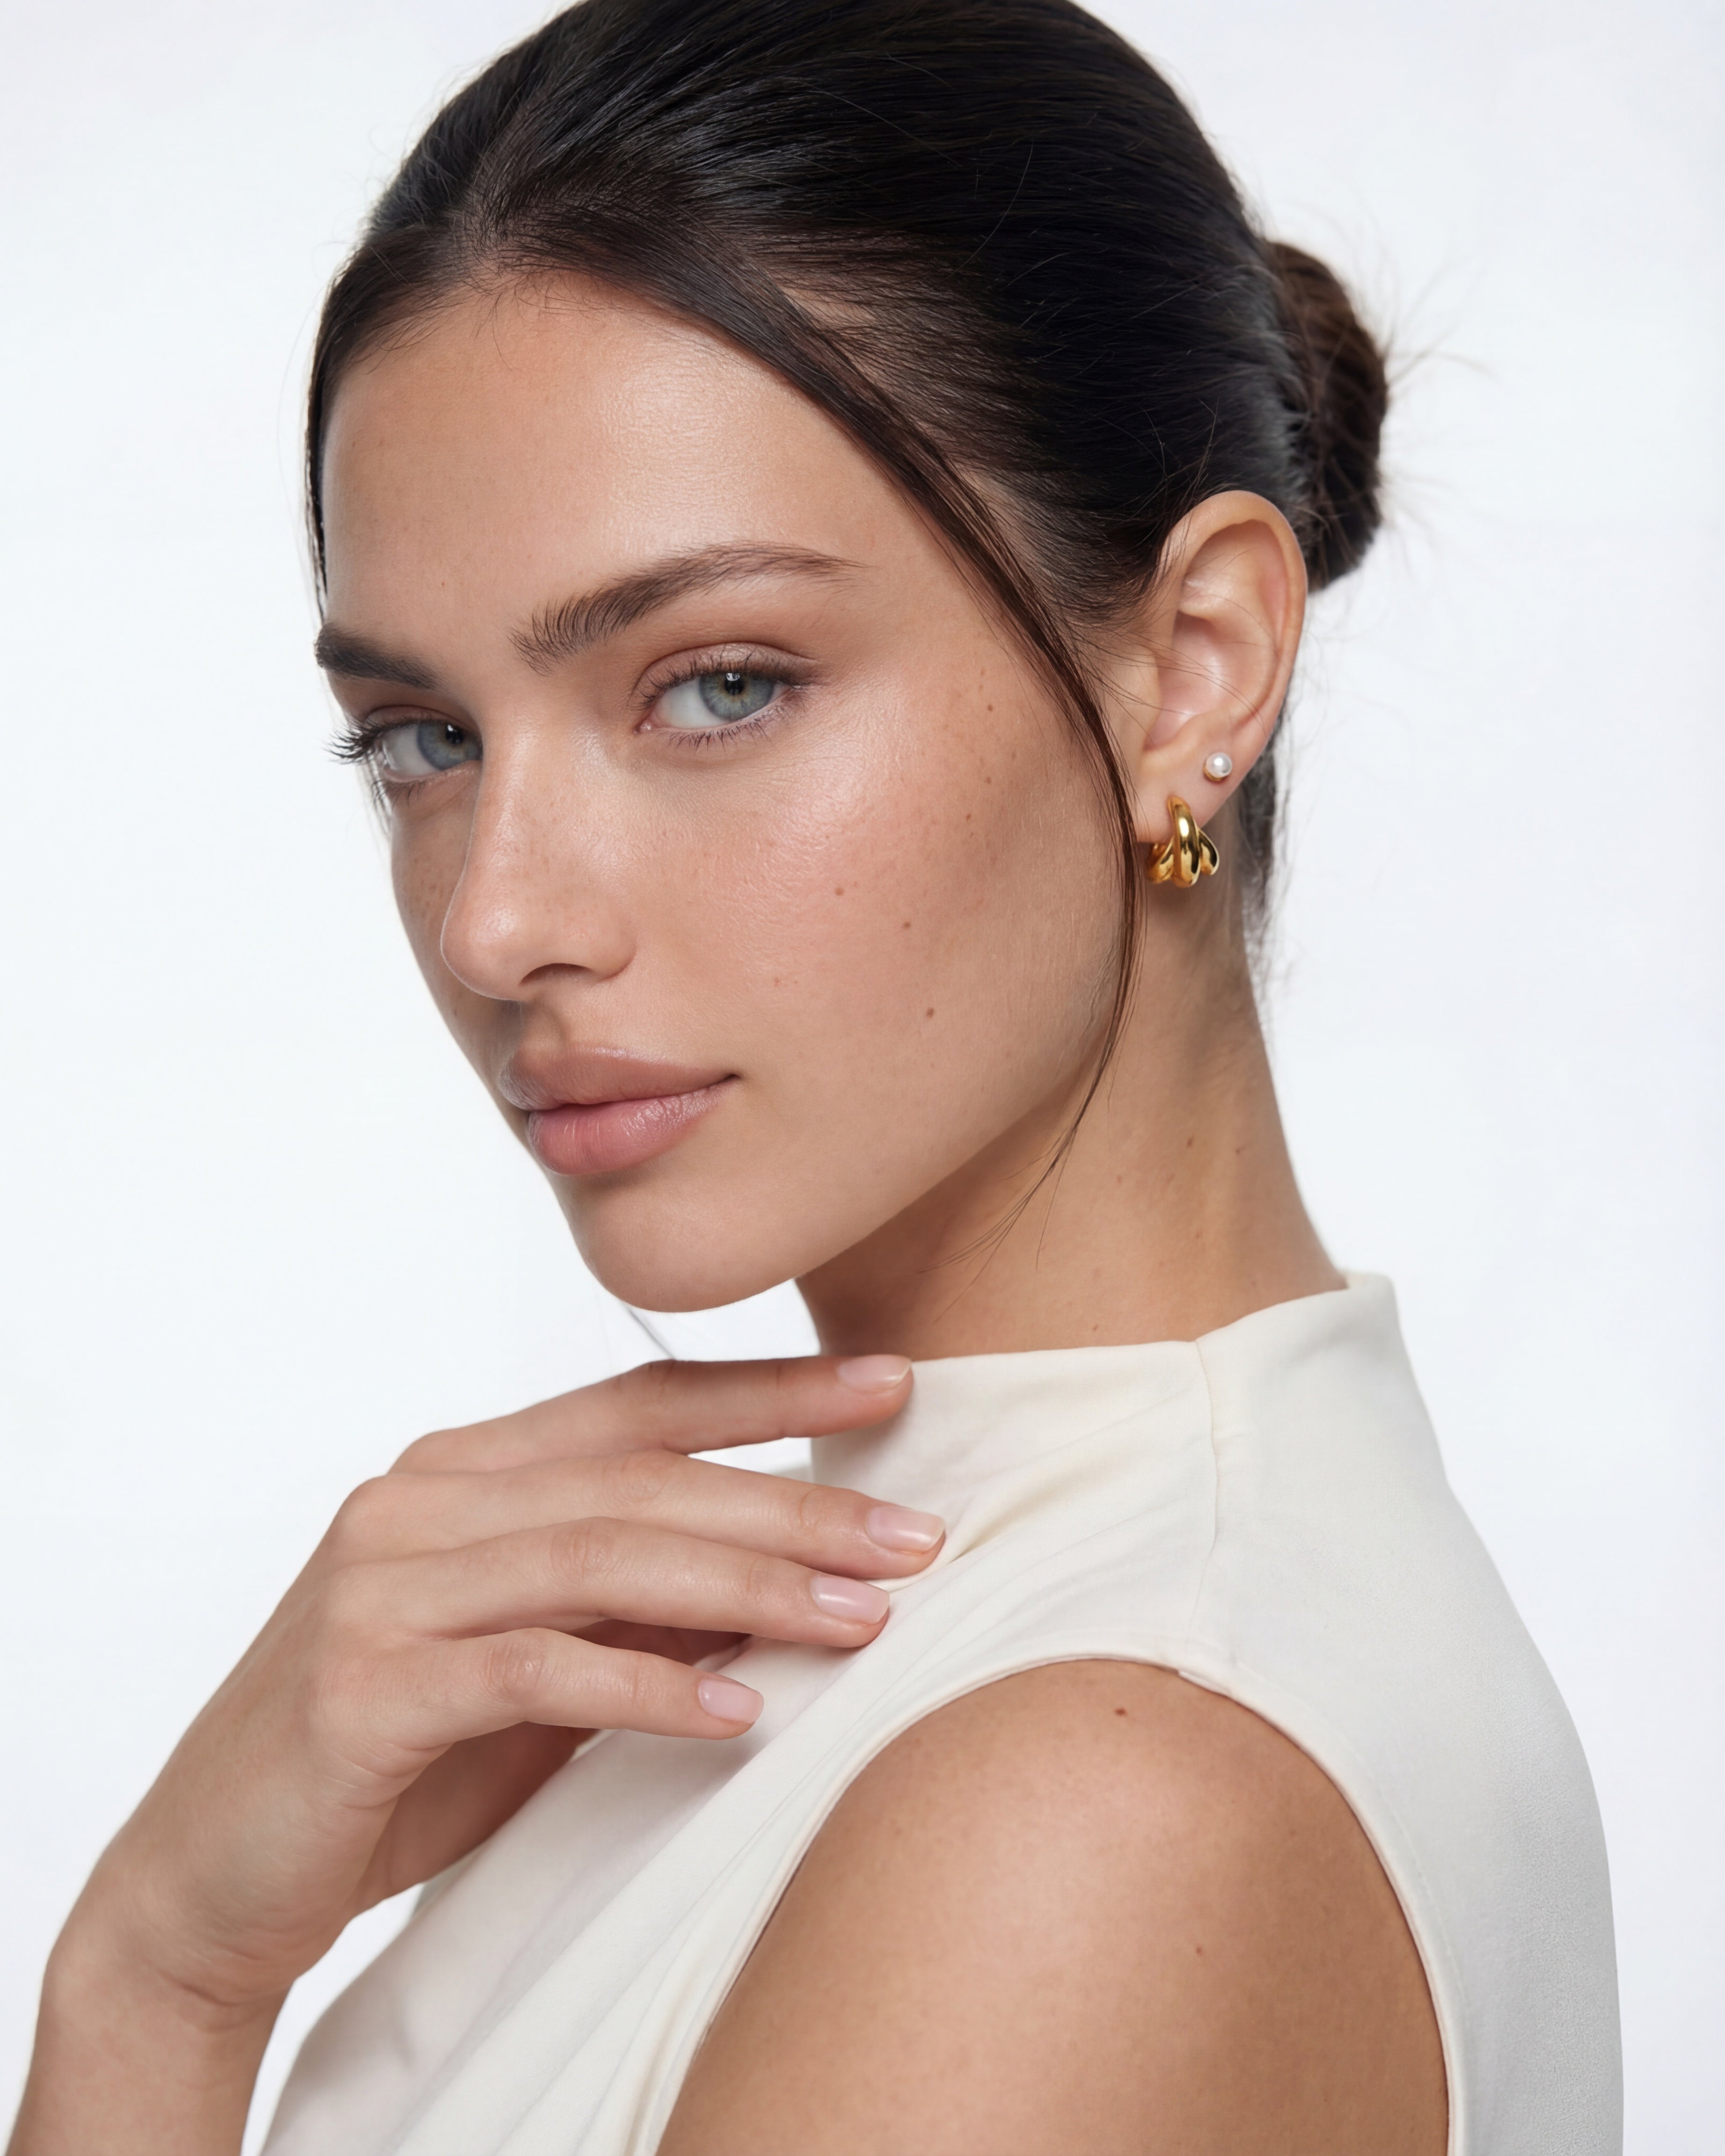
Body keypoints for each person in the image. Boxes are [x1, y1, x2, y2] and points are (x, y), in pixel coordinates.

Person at [8, 1, 1622, 2150]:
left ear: (1193, 666)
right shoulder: (944, 1621)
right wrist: (160, 1963)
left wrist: (149, 1997)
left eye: (719, 686)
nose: (496, 920)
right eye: (425, 739)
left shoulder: (1105, 1794)